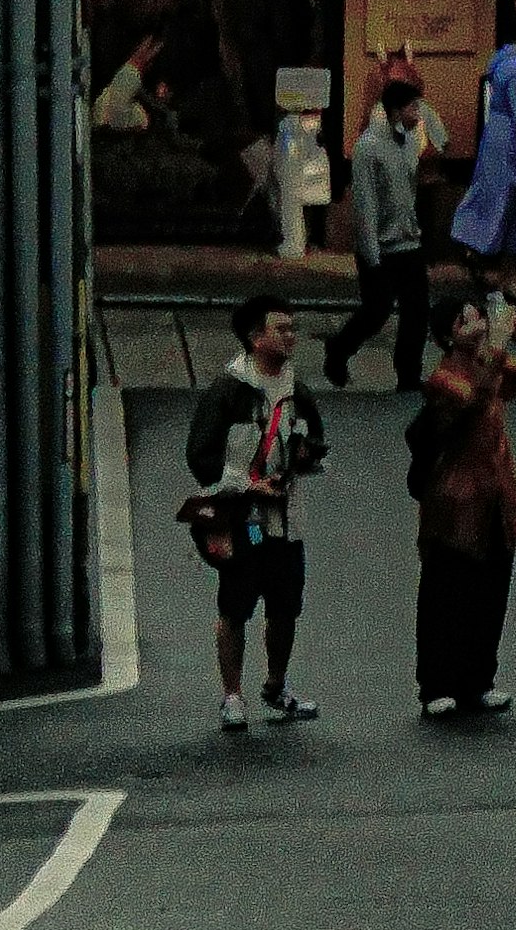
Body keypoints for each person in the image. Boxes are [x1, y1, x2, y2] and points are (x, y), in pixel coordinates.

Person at [180, 303, 328, 735]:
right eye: (280, 329)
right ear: (255, 337)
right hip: (241, 518)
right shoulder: (227, 391)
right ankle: (232, 694)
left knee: (286, 607)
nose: (290, 336)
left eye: (292, 329)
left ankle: (276, 686)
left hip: (287, 518)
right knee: (235, 605)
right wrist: (247, 484)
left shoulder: (296, 391)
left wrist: (306, 455)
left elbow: (315, 439)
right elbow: (201, 456)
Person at [412, 287, 516, 719]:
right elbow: (469, 400)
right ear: (449, 336)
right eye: (467, 320)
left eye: (479, 316)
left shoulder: (494, 364)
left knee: (491, 594)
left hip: (497, 496)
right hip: (454, 501)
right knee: (447, 595)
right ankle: (437, 684)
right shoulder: (443, 377)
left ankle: (479, 679)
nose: (480, 324)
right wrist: (499, 348)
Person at [325, 70, 436, 389]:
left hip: (409, 243)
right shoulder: (368, 147)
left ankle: (408, 376)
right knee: (376, 311)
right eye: (414, 108)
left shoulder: (409, 142)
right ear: (396, 110)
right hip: (381, 247)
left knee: (417, 313)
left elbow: (409, 193)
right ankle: (339, 347)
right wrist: (371, 253)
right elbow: (366, 203)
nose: (419, 114)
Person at [448, 10, 516, 275]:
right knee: (510, 204)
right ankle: (494, 264)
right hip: (513, 144)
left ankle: (497, 266)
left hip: (498, 138)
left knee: (497, 200)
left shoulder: (503, 63)